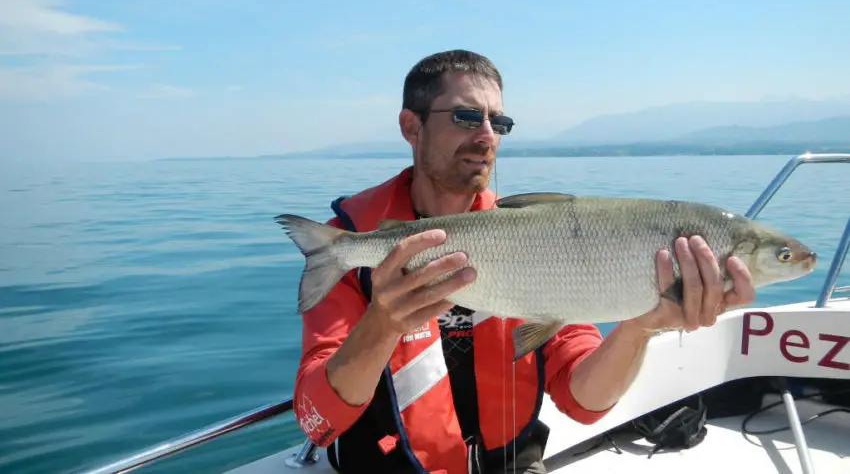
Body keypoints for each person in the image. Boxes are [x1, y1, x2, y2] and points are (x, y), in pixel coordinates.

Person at [291, 50, 755, 474]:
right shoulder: (355, 249)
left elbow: (582, 401)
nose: (487, 135)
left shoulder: (539, 235)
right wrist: (383, 324)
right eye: (467, 116)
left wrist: (639, 326)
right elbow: (317, 421)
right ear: (411, 126)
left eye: (499, 121)